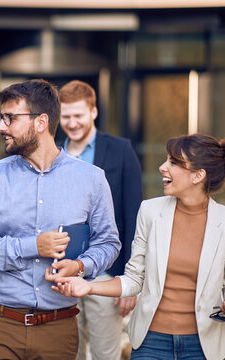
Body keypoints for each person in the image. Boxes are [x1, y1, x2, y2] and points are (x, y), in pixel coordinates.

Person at [50, 133, 225, 360]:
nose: (162, 167)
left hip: (204, 347)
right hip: (150, 343)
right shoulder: (149, 211)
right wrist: (88, 286)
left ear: (198, 175)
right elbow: (134, 279)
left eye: (174, 162)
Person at [0, 79, 121, 360]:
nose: (1, 127)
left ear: (41, 122)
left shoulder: (92, 179)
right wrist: (34, 245)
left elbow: (108, 243)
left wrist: (81, 265)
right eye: (1, 118)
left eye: (9, 118)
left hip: (59, 328)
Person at [59, 80, 142, 360]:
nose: (72, 123)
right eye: (66, 116)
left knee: (107, 353)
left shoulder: (120, 150)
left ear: (93, 112)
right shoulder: (53, 154)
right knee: (70, 352)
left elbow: (133, 215)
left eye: (78, 115)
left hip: (109, 272)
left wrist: (131, 280)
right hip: (65, 272)